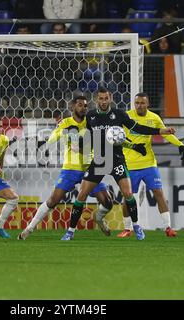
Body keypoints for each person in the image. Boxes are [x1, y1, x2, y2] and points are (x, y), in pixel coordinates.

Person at [60, 88, 175, 240]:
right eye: (100, 99)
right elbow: (88, 138)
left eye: (106, 98)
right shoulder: (91, 116)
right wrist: (76, 143)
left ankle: (137, 227)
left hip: (117, 159)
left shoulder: (119, 114)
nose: (103, 101)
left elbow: (138, 128)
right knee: (81, 195)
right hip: (100, 160)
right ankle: (70, 231)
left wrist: (161, 131)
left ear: (110, 98)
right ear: (96, 100)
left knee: (128, 194)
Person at [17, 96, 114, 240]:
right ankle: (29, 229)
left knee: (107, 202)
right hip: (71, 168)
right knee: (53, 200)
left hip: (90, 168)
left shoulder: (91, 122)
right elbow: (52, 138)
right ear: (72, 107)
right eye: (80, 105)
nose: (83, 108)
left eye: (85, 106)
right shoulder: (65, 123)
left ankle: (99, 218)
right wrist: (55, 138)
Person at [118, 93, 184, 238]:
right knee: (127, 197)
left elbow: (166, 133)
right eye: (137, 103)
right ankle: (127, 228)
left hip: (149, 164)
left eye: (142, 103)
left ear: (148, 104)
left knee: (158, 193)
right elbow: (119, 137)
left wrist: (180, 144)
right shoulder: (127, 117)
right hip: (130, 165)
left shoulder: (154, 118)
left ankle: (168, 227)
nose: (139, 105)